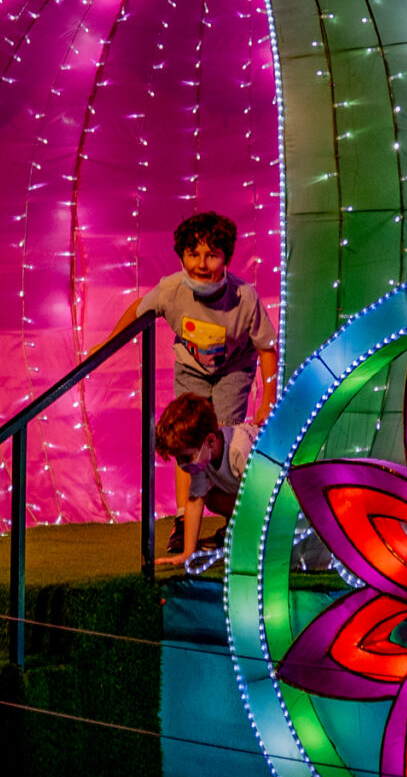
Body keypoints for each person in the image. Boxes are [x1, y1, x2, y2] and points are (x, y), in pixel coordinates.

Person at [98, 211, 276, 555]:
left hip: (233, 370)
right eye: (194, 254)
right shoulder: (171, 290)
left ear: (226, 258)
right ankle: (183, 519)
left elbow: (266, 347)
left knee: (220, 441)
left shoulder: (244, 297)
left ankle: (237, 523)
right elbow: (138, 310)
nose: (202, 264)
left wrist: (268, 397)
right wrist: (108, 345)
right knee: (187, 439)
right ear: (182, 257)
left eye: (212, 255)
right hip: (191, 368)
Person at [152, 394, 254, 565]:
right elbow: (195, 501)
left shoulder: (241, 451)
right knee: (211, 498)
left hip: (277, 496)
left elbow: (262, 499)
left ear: (211, 441)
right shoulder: (202, 455)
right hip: (249, 498)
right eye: (178, 459)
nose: (182, 466)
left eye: (186, 458)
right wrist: (188, 553)